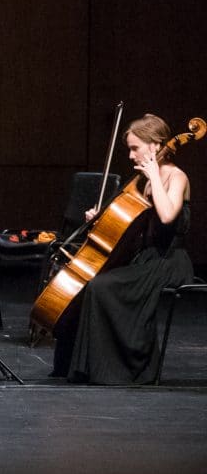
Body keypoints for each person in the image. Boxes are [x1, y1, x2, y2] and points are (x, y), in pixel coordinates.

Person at [56, 114, 193, 384]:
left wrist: (155, 175)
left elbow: (166, 217)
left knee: (102, 287)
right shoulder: (140, 181)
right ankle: (87, 368)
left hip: (169, 262)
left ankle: (123, 369)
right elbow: (132, 226)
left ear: (155, 145)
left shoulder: (177, 177)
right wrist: (101, 218)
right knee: (92, 284)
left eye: (135, 148)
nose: (130, 155)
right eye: (129, 149)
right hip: (145, 259)